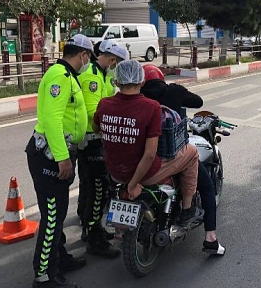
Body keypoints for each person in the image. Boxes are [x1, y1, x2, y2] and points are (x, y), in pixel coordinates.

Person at [93, 59, 204, 229]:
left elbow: (96, 129)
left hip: (115, 172)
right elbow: (150, 154)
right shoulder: (151, 107)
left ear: (116, 82)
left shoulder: (104, 104)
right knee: (192, 152)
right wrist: (133, 184)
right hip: (144, 174)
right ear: (141, 81)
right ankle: (187, 209)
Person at [25, 34, 93, 288]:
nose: (88, 61)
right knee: (52, 217)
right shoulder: (60, 76)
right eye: (88, 57)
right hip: (50, 158)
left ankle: (59, 257)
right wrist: (63, 158)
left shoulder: (67, 76)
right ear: (83, 55)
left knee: (58, 214)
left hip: (57, 154)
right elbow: (53, 120)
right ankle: (44, 276)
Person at [141, 64, 225, 255]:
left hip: (141, 155)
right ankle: (210, 238)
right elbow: (198, 102)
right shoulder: (172, 91)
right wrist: (177, 92)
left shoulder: (137, 95)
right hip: (170, 154)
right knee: (206, 187)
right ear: (161, 78)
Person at [76, 42, 128, 257]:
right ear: (112, 60)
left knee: (92, 189)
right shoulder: (92, 77)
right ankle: (94, 239)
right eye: (118, 63)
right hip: (91, 140)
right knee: (98, 191)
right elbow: (92, 112)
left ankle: (92, 230)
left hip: (97, 139)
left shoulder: (103, 75)